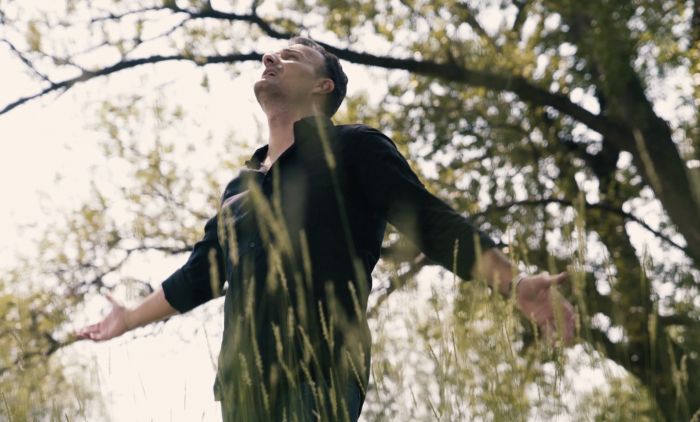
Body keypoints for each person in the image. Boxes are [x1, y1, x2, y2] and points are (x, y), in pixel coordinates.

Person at [74, 36, 575, 421]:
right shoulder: (239, 190)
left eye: (290, 56)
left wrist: (513, 282)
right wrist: (129, 318)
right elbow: (199, 276)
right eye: (272, 55)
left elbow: (427, 219)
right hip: (242, 388)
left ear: (323, 86)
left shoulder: (354, 148)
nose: (270, 58)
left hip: (320, 373)